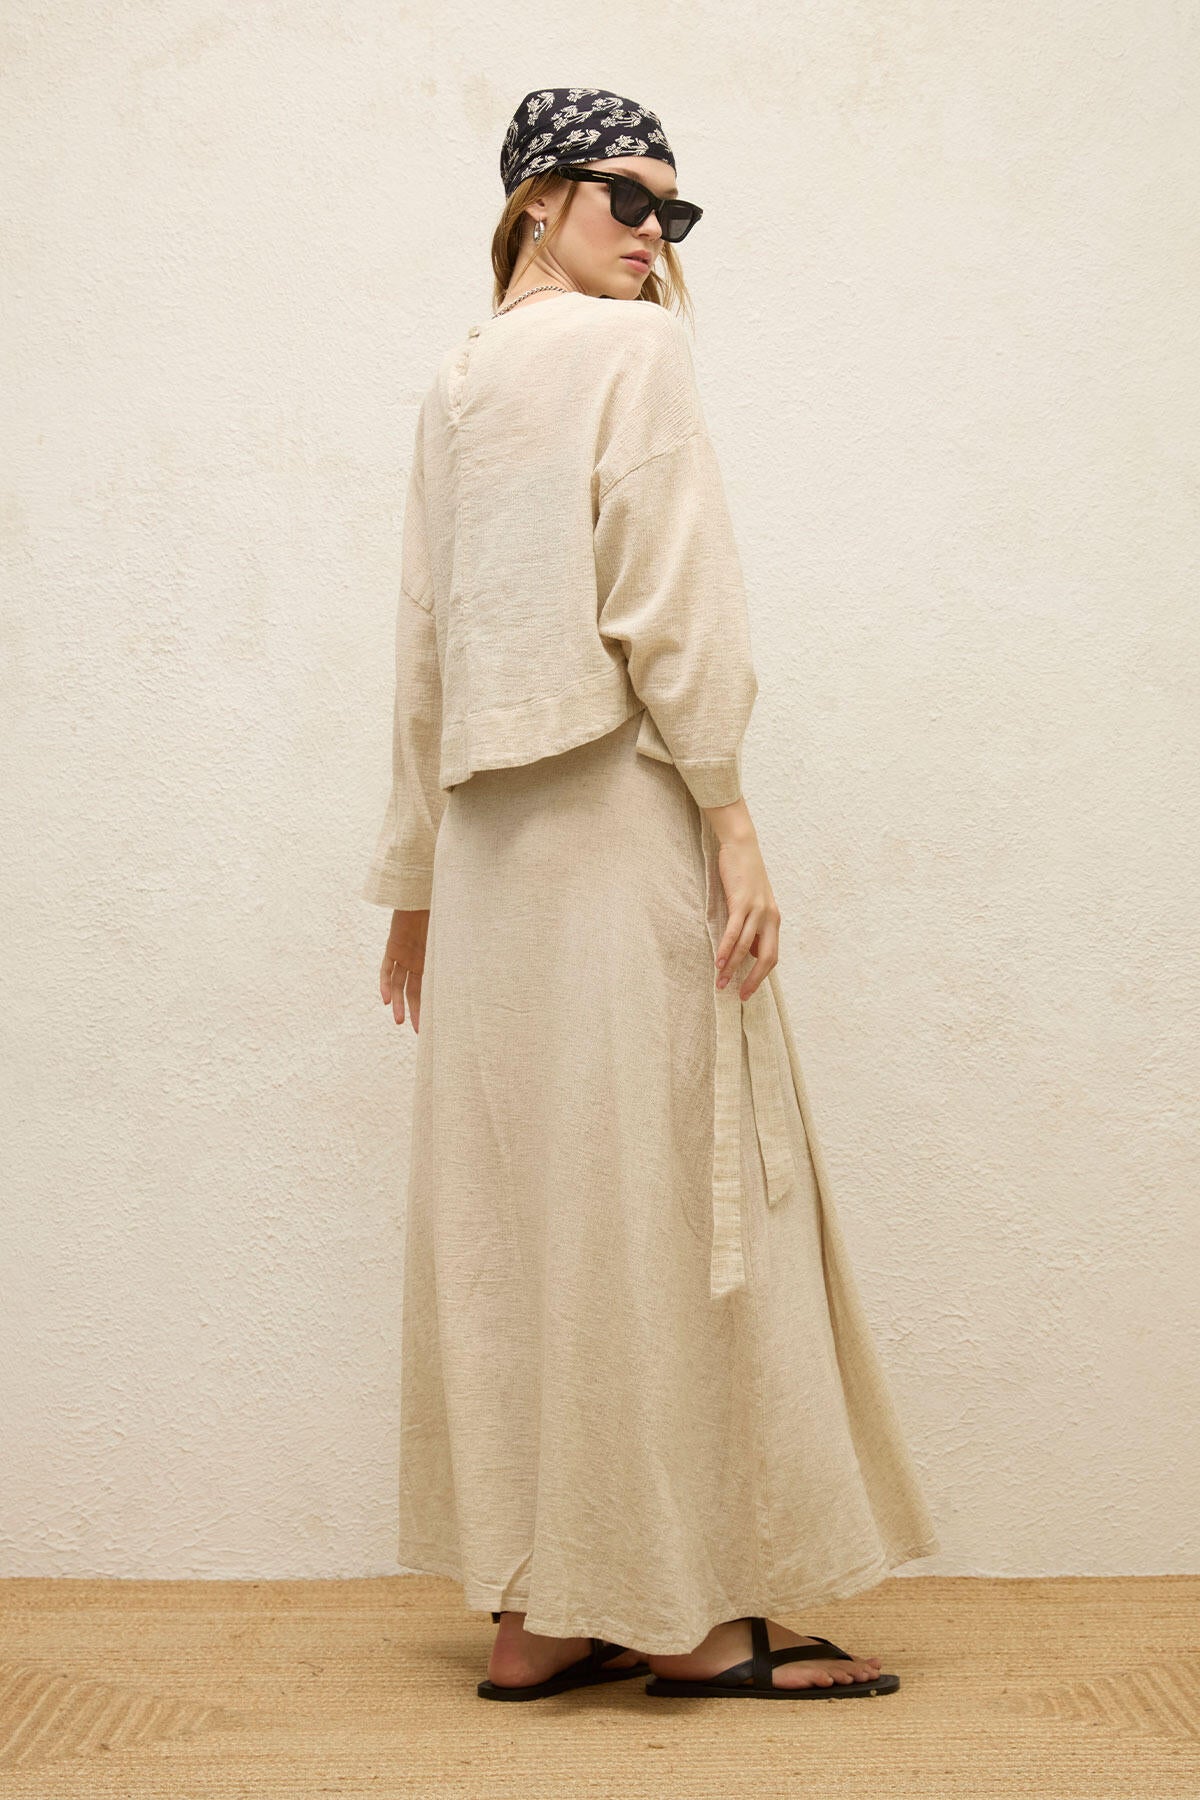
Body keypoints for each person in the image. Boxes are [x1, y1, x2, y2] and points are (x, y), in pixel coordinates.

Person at [361, 85, 939, 1703]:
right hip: (619, 828)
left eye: (675, 213)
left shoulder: (458, 382)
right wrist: (732, 817)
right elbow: (673, 599)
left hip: (493, 864)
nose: (656, 235)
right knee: (664, 1205)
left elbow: (422, 642)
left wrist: (415, 881)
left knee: (526, 1216)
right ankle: (682, 1622)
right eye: (630, 199)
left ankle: (541, 1615)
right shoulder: (635, 354)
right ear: (537, 198)